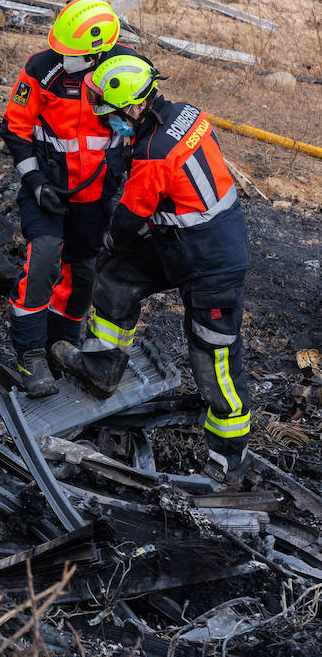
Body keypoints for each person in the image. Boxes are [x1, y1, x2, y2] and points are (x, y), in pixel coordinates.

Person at [51, 55, 251, 484]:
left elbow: (127, 220)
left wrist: (102, 243)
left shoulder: (153, 154)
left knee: (213, 359)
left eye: (113, 116)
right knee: (117, 277)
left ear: (135, 107)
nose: (110, 124)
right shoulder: (185, 115)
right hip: (180, 239)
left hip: (213, 262)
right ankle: (103, 366)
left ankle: (227, 460)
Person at [0, 0, 139, 398]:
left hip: (96, 197)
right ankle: (30, 353)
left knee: (84, 276)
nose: (65, 59)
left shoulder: (123, 71)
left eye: (74, 55)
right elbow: (16, 126)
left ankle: (62, 345)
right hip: (47, 188)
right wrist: (36, 183)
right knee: (43, 257)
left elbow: (138, 126)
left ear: (99, 52)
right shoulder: (41, 70)